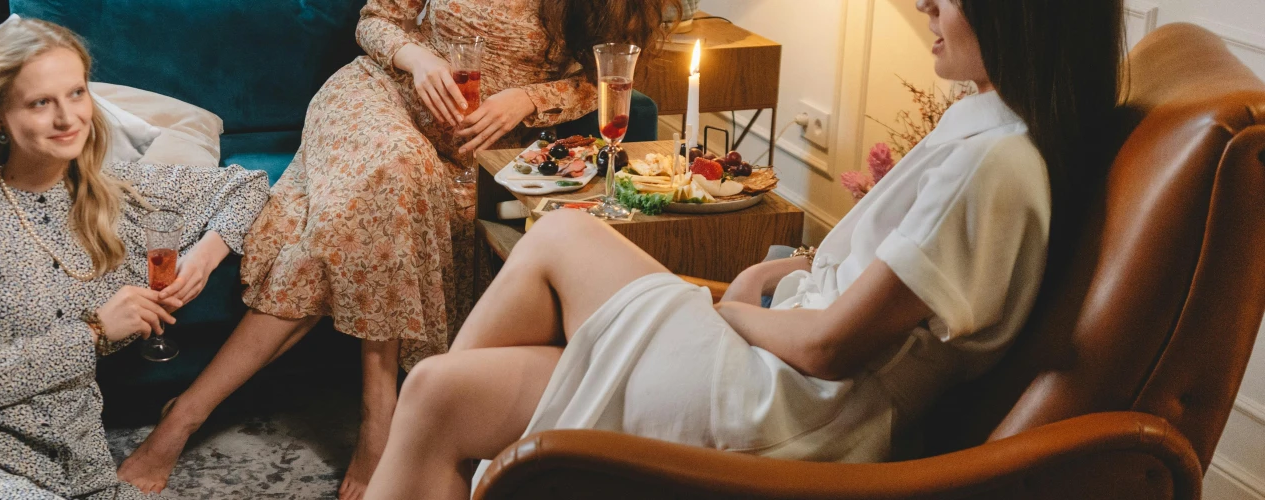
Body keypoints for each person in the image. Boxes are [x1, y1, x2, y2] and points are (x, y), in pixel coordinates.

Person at [363, 0, 1125, 498]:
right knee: (440, 386)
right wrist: (790, 270)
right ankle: (469, 468)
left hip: (784, 410)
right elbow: (891, 287)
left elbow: (829, 348)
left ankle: (466, 469)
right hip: (784, 378)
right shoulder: (994, 129)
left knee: (546, 253)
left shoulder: (995, 165)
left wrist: (730, 307)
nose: (926, 2)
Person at [118, 1, 676, 498]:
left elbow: (608, 76)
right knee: (395, 170)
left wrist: (526, 99)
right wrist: (419, 59)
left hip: (469, 151)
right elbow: (377, 18)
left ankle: (186, 411)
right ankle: (378, 412)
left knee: (325, 246)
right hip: (376, 99)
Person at [0, 18, 269, 499]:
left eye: (76, 93)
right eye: (40, 103)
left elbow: (246, 186)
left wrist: (203, 257)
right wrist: (94, 332)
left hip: (81, 466)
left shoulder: (118, 192)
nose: (68, 118)